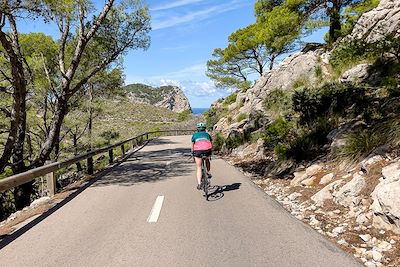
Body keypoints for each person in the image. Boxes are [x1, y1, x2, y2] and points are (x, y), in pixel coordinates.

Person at [191, 122, 213, 190]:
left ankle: (199, 183)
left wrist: (192, 154)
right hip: (207, 151)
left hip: (198, 152)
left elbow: (192, 146)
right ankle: (208, 173)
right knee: (207, 160)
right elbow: (211, 144)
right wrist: (210, 154)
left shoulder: (194, 135)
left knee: (199, 167)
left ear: (197, 129)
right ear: (205, 129)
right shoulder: (207, 135)